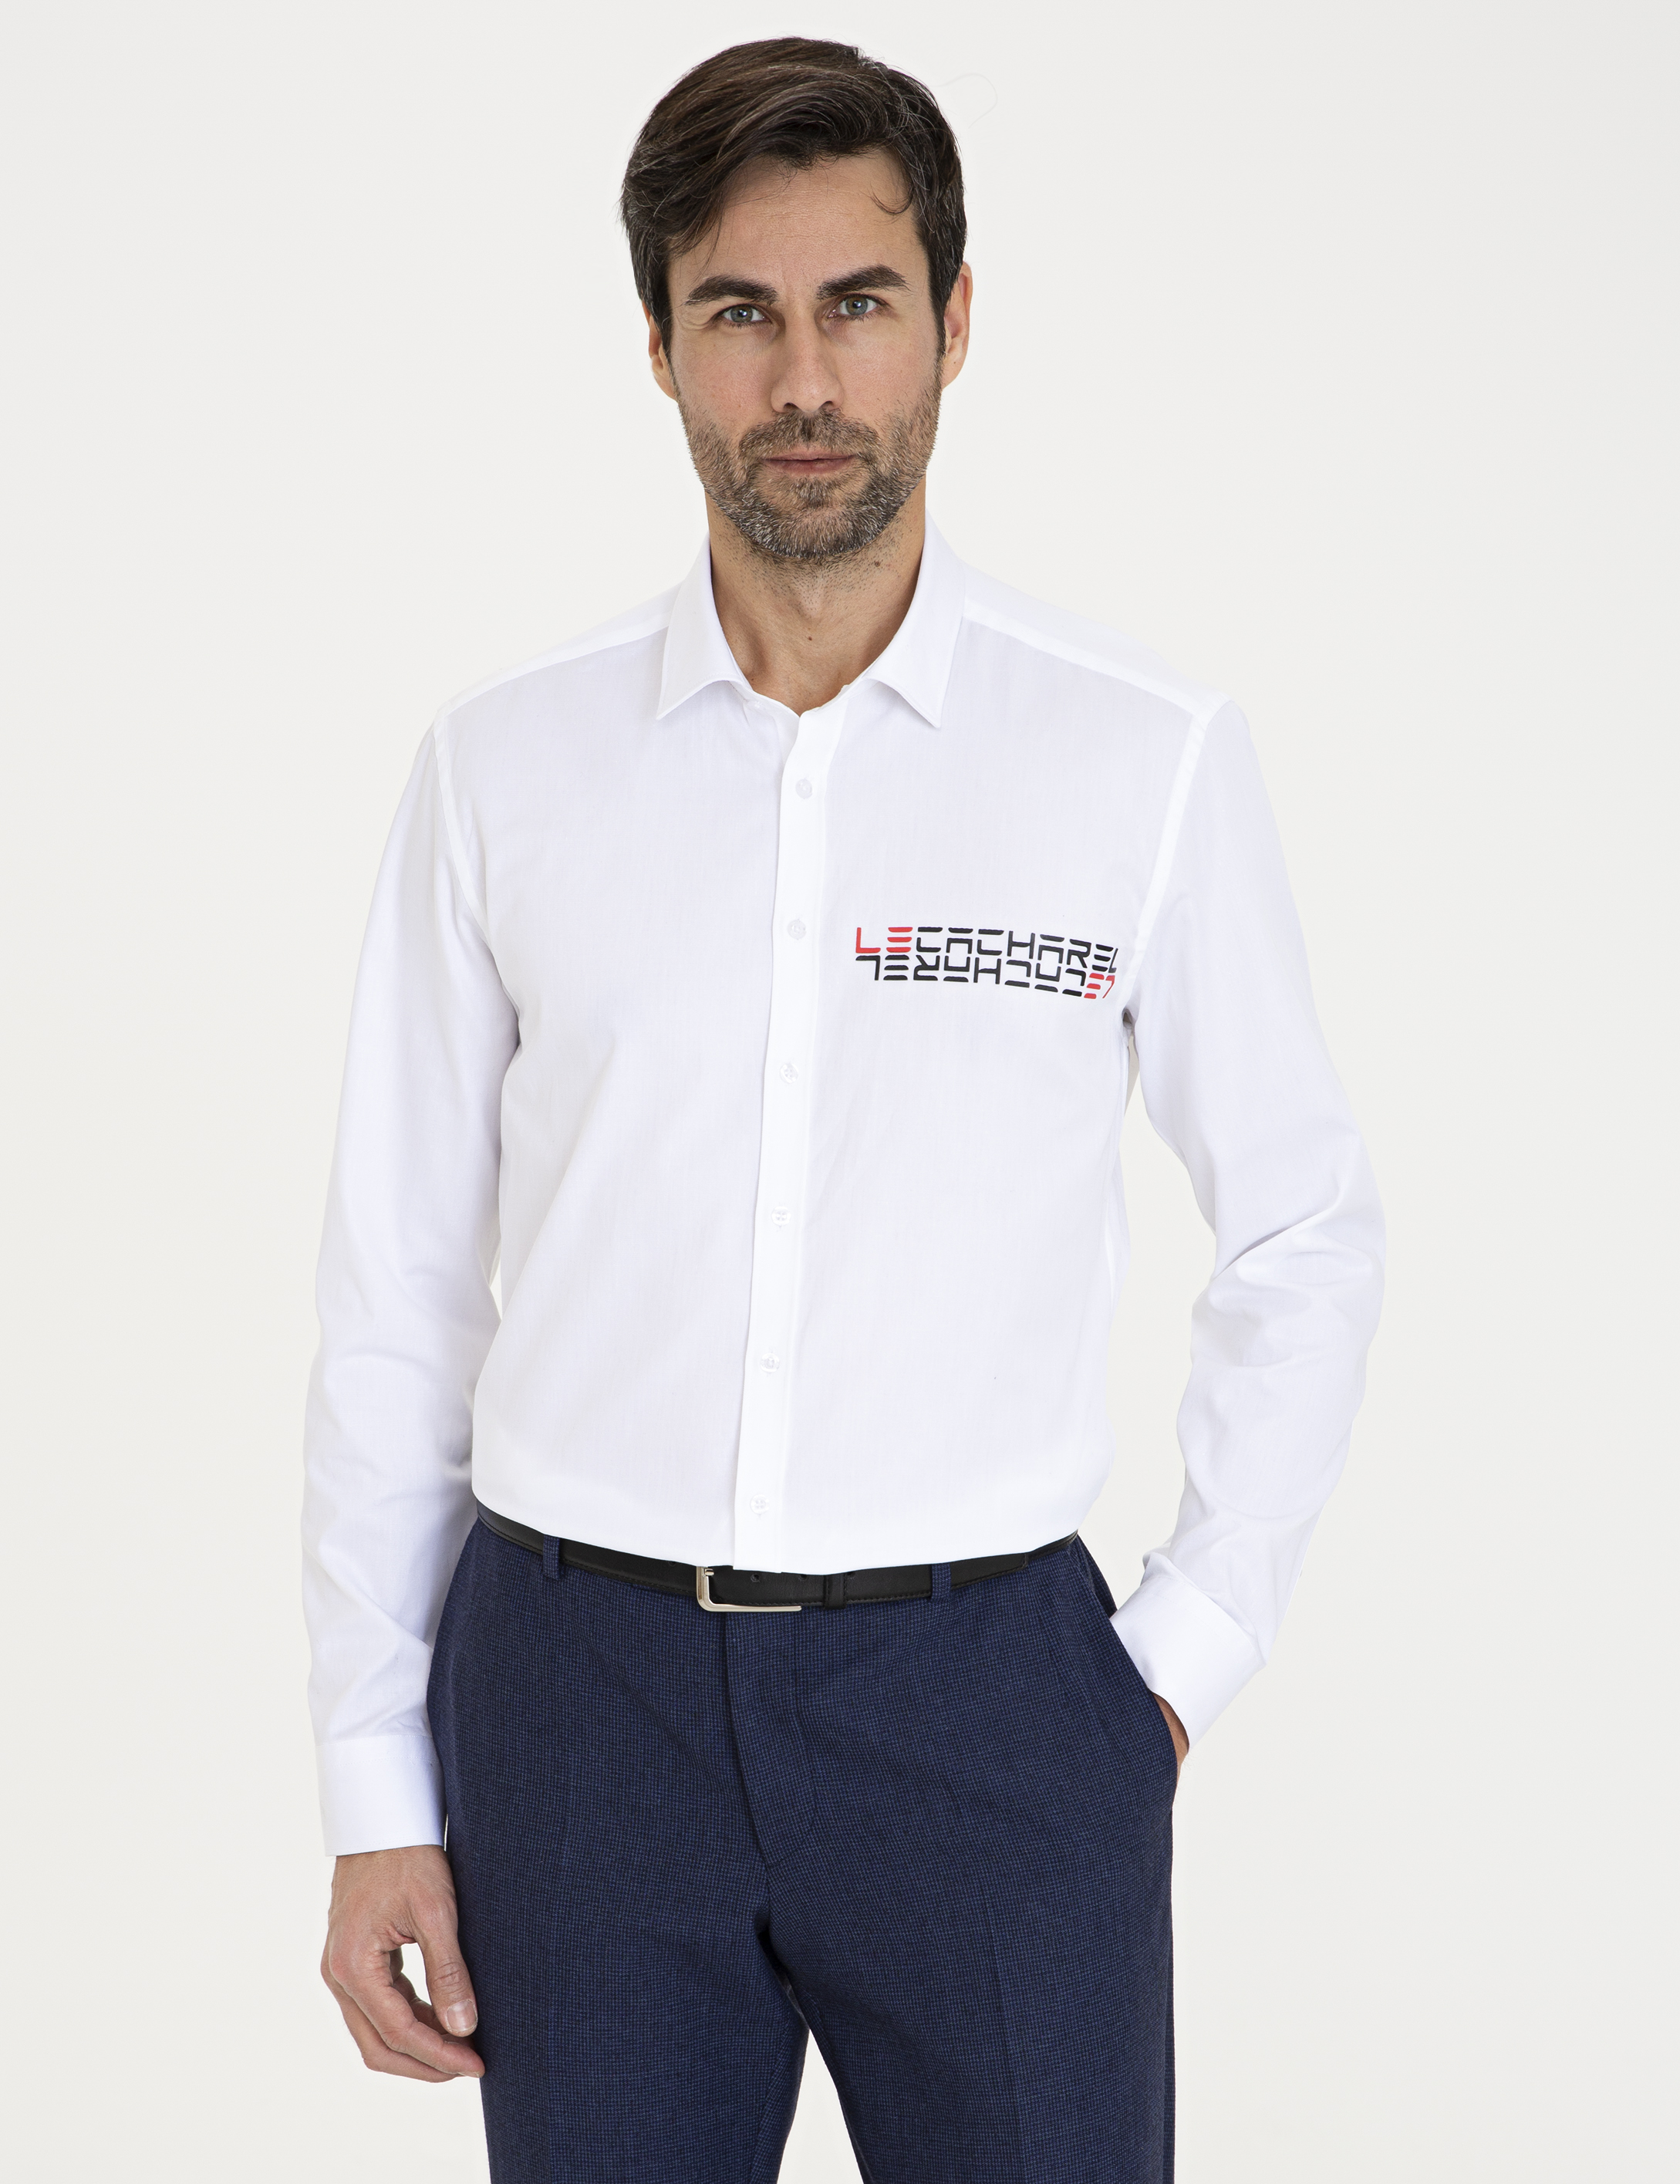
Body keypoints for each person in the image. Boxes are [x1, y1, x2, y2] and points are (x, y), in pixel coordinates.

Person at [304, 36, 1384, 2184]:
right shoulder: (504, 769)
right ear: (660, 348)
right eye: (740, 312)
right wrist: (372, 1782)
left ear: (953, 324)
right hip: (575, 1711)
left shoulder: (1139, 759)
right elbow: (396, 1291)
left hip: (992, 1711)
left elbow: (1304, 1230)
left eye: (858, 304)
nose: (803, 380)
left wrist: (1169, 1663)